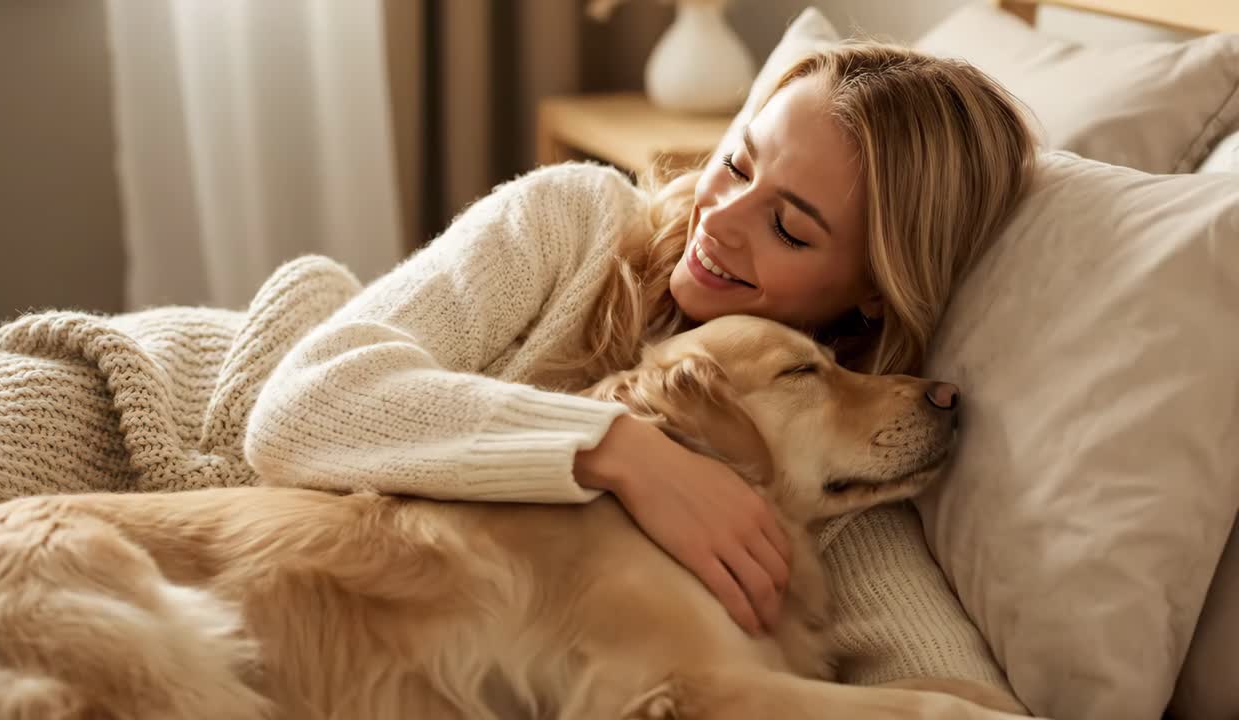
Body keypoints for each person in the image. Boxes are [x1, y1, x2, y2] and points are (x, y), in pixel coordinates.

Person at [243, 41, 1037, 698]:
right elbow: (299, 409)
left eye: (789, 229)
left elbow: (927, 667)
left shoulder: (828, 454)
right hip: (192, 442)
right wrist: (619, 449)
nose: (719, 219)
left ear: (871, 291)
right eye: (737, 163)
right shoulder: (571, 220)